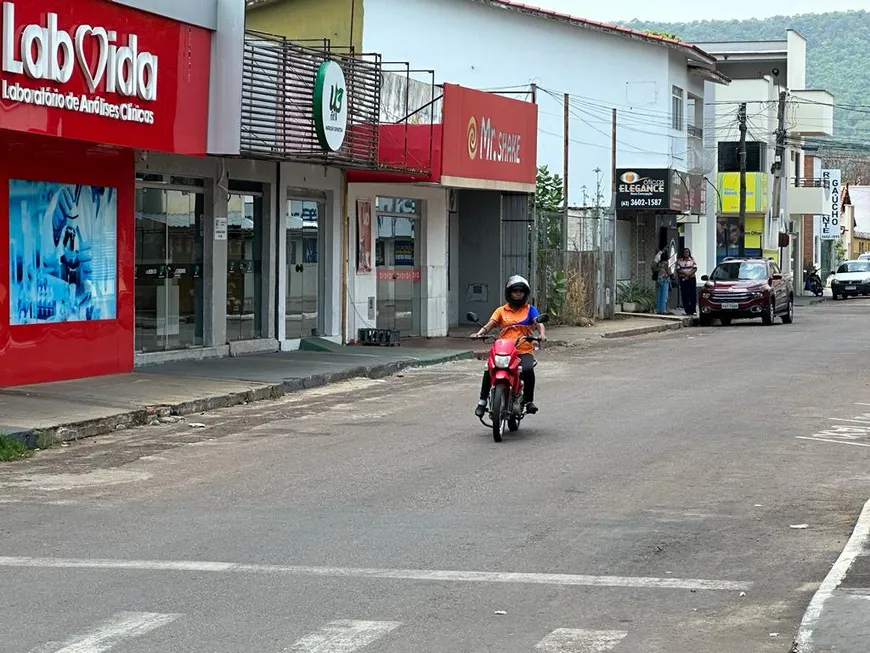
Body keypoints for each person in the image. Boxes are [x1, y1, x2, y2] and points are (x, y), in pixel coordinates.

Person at [471, 275, 546, 417]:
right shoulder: (501, 311)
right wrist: (479, 334)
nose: (518, 293)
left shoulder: (530, 310)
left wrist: (542, 335)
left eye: (521, 291)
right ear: (509, 292)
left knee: (528, 369)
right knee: (489, 369)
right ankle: (482, 402)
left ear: (525, 293)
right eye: (515, 291)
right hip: (503, 349)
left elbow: (539, 323)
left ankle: (529, 401)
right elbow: (490, 325)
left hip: (523, 349)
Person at [676, 248, 698, 315]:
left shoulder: (692, 259)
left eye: (687, 252)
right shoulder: (680, 260)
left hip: (691, 279)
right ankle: (687, 310)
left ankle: (693, 310)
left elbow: (695, 268)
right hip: (683, 279)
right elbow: (678, 269)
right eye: (685, 252)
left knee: (692, 295)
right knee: (685, 295)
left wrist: (689, 274)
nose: (686, 253)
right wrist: (685, 274)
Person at [654, 248, 671, 315]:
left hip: (659, 279)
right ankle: (663, 309)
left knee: (659, 295)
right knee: (664, 295)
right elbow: (668, 271)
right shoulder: (666, 263)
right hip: (665, 279)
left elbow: (656, 269)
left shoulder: (660, 263)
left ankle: (658, 309)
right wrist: (671, 275)